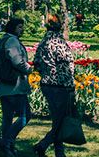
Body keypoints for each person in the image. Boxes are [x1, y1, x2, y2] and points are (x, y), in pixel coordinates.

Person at [33, 14, 75, 157]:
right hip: (60, 85)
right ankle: (42, 145)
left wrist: (46, 71)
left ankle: (59, 153)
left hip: (46, 83)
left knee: (58, 120)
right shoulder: (58, 41)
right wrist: (70, 85)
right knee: (60, 122)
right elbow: (66, 67)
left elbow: (36, 63)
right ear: (60, 25)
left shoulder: (43, 41)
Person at [0, 18, 33, 157]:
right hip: (14, 85)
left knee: (8, 117)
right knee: (24, 116)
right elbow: (17, 61)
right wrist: (29, 69)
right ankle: (5, 142)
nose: (22, 29)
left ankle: (9, 147)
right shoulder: (12, 41)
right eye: (20, 27)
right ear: (13, 28)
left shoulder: (4, 40)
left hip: (4, 85)